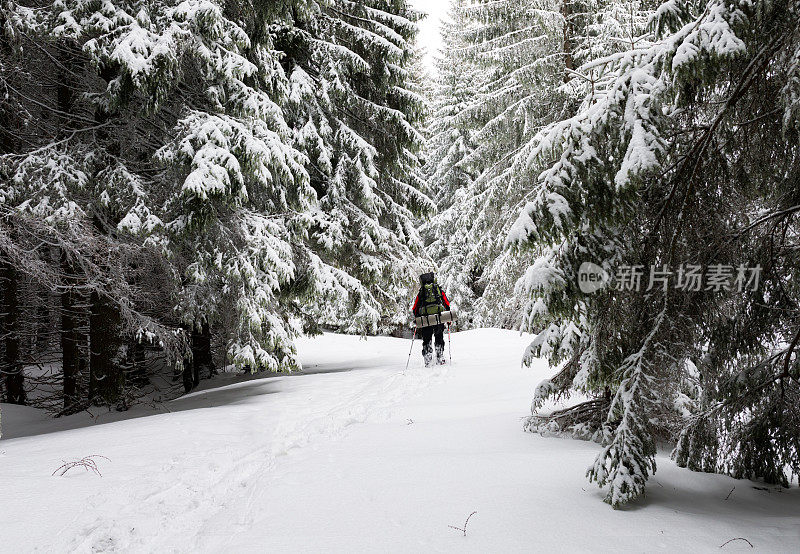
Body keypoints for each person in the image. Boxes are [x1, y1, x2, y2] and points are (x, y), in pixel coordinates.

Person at [412, 272, 450, 366]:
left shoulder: (422, 291)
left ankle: (428, 359)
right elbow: (446, 302)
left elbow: (415, 307)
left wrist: (417, 317)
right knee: (439, 337)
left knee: (427, 339)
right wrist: (448, 314)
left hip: (425, 319)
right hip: (438, 317)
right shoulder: (437, 289)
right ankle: (440, 357)